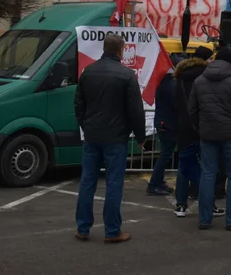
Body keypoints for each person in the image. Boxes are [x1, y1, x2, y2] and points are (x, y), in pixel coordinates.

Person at [73, 33, 146, 243]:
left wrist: (85, 125)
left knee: (87, 181)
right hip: (116, 138)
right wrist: (140, 136)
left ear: (104, 48)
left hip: (92, 135)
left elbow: (78, 103)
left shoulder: (88, 72)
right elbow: (135, 110)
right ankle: (112, 230)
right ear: (121, 50)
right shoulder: (126, 75)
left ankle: (83, 228)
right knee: (114, 184)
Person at [189, 46, 231, 231]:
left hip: (208, 134)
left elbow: (192, 110)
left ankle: (204, 219)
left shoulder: (200, 81)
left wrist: (200, 127)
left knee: (208, 174)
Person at [173, 46, 213, 217]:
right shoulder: (206, 76)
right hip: (202, 125)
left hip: (183, 125)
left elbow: (174, 101)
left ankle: (181, 204)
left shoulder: (180, 76)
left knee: (183, 166)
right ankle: (208, 205)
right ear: (206, 59)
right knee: (206, 168)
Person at [146, 61, 179, 196]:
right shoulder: (170, 85)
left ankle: (158, 181)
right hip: (168, 124)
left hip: (164, 122)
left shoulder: (163, 82)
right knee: (165, 154)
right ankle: (154, 183)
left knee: (165, 154)